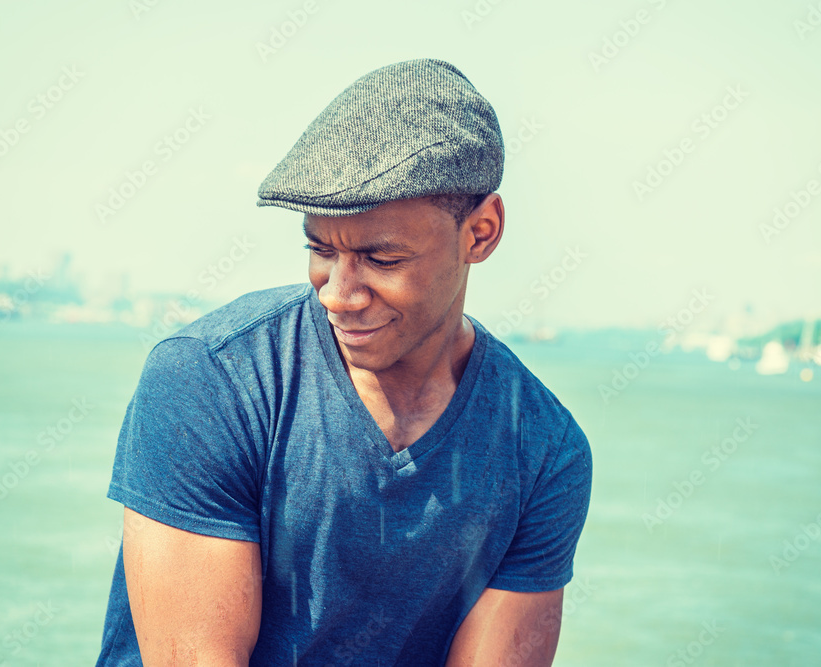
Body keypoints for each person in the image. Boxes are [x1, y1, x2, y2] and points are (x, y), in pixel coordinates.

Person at [96, 58, 592, 666]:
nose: (337, 292)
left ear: (481, 233)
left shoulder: (543, 449)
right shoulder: (211, 380)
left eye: (381, 258)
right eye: (320, 249)